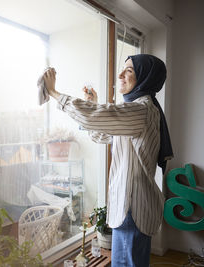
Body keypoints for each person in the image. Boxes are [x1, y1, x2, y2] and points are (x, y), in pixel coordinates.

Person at [43, 54, 173, 267]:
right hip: (130, 205)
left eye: (129, 71)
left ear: (145, 78)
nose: (121, 74)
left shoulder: (141, 110)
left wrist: (54, 93)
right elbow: (102, 135)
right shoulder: (141, 109)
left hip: (133, 206)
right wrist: (91, 103)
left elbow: (98, 116)